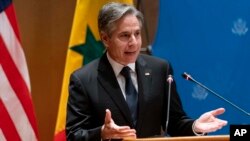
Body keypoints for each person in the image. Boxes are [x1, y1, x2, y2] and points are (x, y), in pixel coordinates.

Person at [66, 2, 227, 141]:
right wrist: (102, 133)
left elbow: (174, 122)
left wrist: (195, 126)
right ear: (105, 39)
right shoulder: (84, 79)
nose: (134, 43)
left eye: (137, 33)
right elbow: (74, 135)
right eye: (125, 36)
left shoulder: (160, 69)